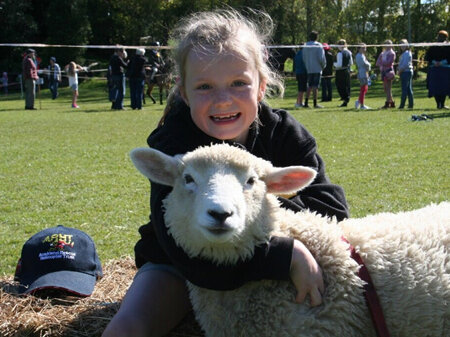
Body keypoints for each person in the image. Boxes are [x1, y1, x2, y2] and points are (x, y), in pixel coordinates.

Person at [103, 9, 349, 337]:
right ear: (184, 91)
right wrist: (284, 254)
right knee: (128, 329)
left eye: (238, 83)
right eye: (204, 86)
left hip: (266, 266)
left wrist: (261, 209)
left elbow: (332, 212)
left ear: (261, 86)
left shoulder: (285, 134)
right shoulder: (173, 144)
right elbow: (182, 249)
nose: (222, 100)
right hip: (177, 269)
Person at [425, 30, 450, 109]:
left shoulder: (448, 46)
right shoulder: (433, 46)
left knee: (444, 88)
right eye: (440, 36)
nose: (441, 38)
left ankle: (442, 104)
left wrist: (442, 62)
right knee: (436, 88)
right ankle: (438, 104)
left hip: (445, 69)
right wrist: (434, 62)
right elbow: (427, 57)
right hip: (434, 69)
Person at [301, 31, 326, 108]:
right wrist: (323, 66)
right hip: (317, 68)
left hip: (309, 68)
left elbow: (304, 57)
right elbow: (321, 58)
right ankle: (315, 103)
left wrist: (307, 65)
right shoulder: (318, 45)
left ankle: (306, 102)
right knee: (315, 86)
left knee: (309, 85)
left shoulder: (305, 46)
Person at [376, 40, 396, 109]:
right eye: (386, 44)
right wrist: (381, 63)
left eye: (389, 44)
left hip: (389, 72)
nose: (387, 46)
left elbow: (389, 62)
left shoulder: (392, 53)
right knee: (386, 88)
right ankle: (392, 102)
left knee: (388, 88)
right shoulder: (382, 53)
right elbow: (378, 62)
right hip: (383, 72)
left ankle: (387, 103)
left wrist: (382, 63)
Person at [334, 39, 353, 107]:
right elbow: (351, 63)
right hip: (347, 70)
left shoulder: (340, 53)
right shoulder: (349, 52)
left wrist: (334, 64)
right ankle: (346, 99)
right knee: (346, 86)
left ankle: (345, 98)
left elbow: (339, 64)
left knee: (339, 85)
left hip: (340, 71)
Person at [397, 39, 414, 109]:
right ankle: (410, 104)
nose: (402, 46)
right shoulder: (404, 53)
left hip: (406, 72)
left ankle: (402, 105)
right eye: (401, 44)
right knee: (408, 89)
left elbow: (405, 65)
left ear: (407, 45)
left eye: (403, 44)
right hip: (405, 72)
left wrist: (399, 71)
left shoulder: (407, 53)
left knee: (405, 89)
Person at [355, 43, 372, 110]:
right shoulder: (359, 56)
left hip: (364, 72)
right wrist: (369, 65)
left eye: (365, 48)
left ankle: (359, 101)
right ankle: (362, 104)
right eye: (363, 48)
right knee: (363, 88)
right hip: (362, 73)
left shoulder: (362, 55)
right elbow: (365, 64)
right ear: (359, 48)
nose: (364, 49)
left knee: (365, 88)